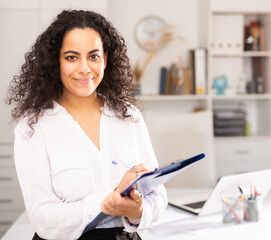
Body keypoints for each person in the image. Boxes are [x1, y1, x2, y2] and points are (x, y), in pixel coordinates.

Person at [6, 9, 168, 240]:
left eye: (93, 56)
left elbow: (157, 193)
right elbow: (43, 218)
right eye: (72, 57)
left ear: (106, 59)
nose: (84, 68)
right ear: (56, 61)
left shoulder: (129, 116)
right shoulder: (33, 127)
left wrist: (139, 211)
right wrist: (106, 203)